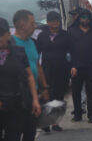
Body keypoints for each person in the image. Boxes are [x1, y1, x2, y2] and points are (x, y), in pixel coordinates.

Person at [0, 18, 41, 141]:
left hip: (16, 103)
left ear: (8, 35)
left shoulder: (19, 52)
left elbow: (29, 76)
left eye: (1, 34)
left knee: (13, 136)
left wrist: (35, 99)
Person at [12, 10, 49, 141]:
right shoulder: (11, 44)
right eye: (32, 23)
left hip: (33, 94)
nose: (35, 26)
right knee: (14, 133)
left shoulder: (32, 42)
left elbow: (37, 66)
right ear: (23, 25)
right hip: (17, 97)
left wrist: (44, 87)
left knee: (30, 131)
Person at [68, 9, 92, 123]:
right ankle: (78, 114)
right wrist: (71, 66)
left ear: (90, 19)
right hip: (76, 67)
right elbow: (68, 51)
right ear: (79, 19)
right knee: (76, 91)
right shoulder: (71, 31)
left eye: (87, 18)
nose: (85, 20)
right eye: (83, 17)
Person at [36, 11, 71, 132]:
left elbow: (71, 52)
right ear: (48, 22)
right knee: (47, 96)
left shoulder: (66, 35)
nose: (54, 22)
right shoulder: (42, 36)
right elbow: (37, 53)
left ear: (60, 21)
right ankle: (45, 123)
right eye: (51, 20)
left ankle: (55, 123)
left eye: (56, 19)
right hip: (46, 70)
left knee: (59, 96)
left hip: (62, 70)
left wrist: (72, 66)